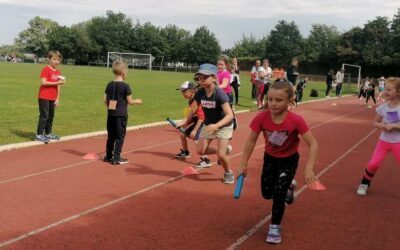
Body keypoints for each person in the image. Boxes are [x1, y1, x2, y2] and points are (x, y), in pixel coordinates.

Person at [236, 79, 318, 244]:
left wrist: (309, 168)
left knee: (278, 194)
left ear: (290, 101)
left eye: (279, 100)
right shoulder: (261, 118)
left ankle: (274, 227)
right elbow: (251, 141)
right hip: (270, 159)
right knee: (267, 193)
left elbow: (313, 143)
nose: (273, 104)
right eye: (270, 99)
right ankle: (289, 187)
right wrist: (243, 163)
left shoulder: (296, 120)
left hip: (289, 160)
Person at [191, 63, 235, 184]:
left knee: (221, 156)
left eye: (205, 77)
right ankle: (225, 150)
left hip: (224, 125)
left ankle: (228, 172)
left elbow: (230, 114)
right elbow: (193, 108)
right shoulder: (200, 93)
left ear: (214, 78)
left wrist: (216, 126)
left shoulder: (220, 94)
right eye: (200, 78)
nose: (201, 80)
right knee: (200, 151)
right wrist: (185, 121)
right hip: (209, 124)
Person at [356, 77, 400, 196]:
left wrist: (394, 126)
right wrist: (381, 125)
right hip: (384, 141)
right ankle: (365, 183)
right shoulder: (383, 107)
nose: (386, 92)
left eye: (389, 90)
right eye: (385, 89)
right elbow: (374, 123)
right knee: (373, 164)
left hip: (398, 142)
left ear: (398, 92)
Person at [103, 60, 142, 165]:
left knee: (111, 135)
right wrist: (137, 101)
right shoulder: (126, 86)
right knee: (120, 136)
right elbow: (129, 101)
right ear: (124, 72)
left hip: (111, 114)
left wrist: (110, 108)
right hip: (121, 115)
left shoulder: (109, 84)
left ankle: (108, 156)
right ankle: (116, 157)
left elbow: (104, 100)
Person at [174, 81, 210, 168]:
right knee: (182, 134)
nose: (182, 93)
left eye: (184, 91)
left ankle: (206, 160)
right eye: (181, 91)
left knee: (196, 140)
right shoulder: (191, 100)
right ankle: (186, 153)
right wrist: (183, 123)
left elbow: (201, 118)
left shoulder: (197, 101)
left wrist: (194, 130)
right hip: (197, 119)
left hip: (204, 121)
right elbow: (191, 114)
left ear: (192, 91)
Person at [35, 50, 65, 143]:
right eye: (54, 59)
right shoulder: (46, 69)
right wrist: (56, 82)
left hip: (53, 97)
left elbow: (58, 86)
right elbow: (43, 82)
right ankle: (39, 135)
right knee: (44, 115)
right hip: (44, 96)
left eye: (58, 59)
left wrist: (58, 98)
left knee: (51, 116)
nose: (56, 61)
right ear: (49, 59)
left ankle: (48, 133)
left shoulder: (58, 71)